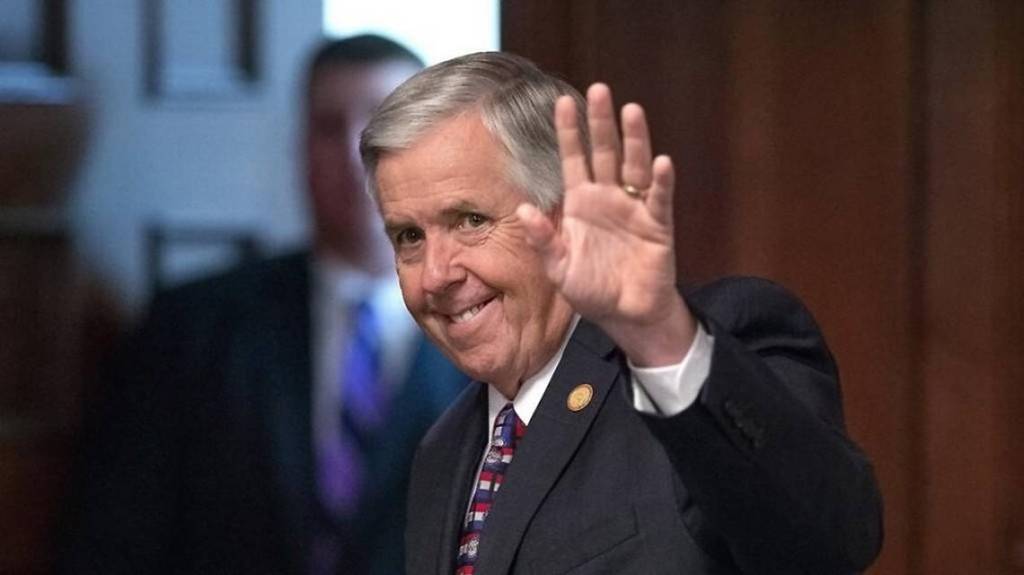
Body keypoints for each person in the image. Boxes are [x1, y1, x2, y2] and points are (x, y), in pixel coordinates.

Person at [359, 52, 883, 574]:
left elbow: (829, 544)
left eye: (471, 220)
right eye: (409, 236)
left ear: (566, 215)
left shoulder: (704, 348)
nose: (435, 275)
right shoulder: (442, 449)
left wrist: (658, 336)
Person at [56, 35, 466, 575]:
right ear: (300, 149)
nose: (354, 153)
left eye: (382, 128)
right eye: (328, 127)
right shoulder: (192, 327)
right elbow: (116, 535)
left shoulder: (502, 337)